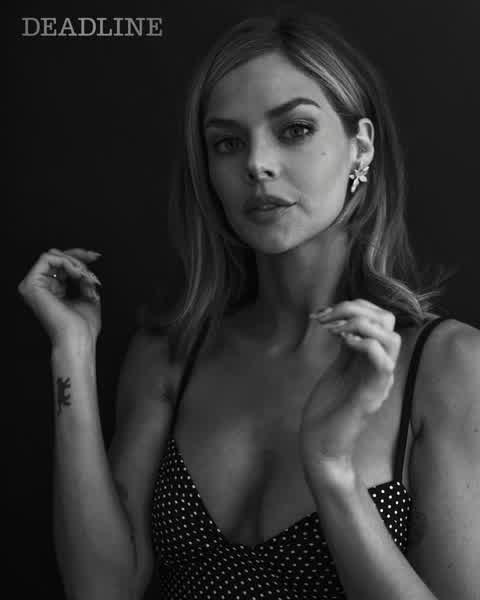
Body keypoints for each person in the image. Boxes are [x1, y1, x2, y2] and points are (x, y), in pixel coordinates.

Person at [17, 11, 479, 600]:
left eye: (295, 130)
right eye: (228, 143)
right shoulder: (170, 354)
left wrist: (331, 469)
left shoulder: (449, 367)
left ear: (360, 147)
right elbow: (100, 589)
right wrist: (72, 354)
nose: (256, 164)